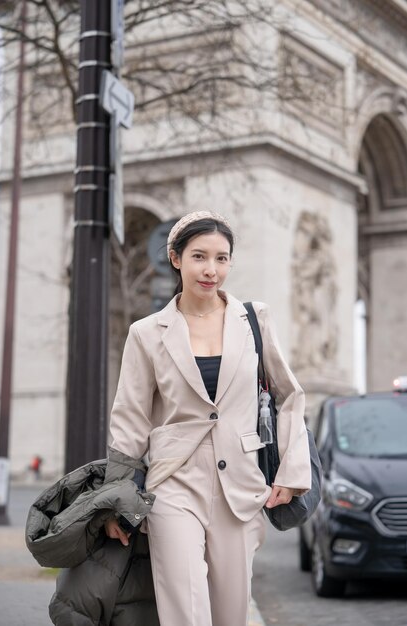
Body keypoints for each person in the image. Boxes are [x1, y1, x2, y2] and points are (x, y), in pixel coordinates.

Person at [104, 210, 311, 626]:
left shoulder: (255, 320)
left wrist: (291, 472)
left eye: (221, 258)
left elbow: (290, 396)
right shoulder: (147, 332)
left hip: (241, 486)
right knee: (184, 607)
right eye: (199, 256)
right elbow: (130, 417)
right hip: (172, 482)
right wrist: (115, 500)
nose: (211, 270)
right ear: (175, 258)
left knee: (230, 614)